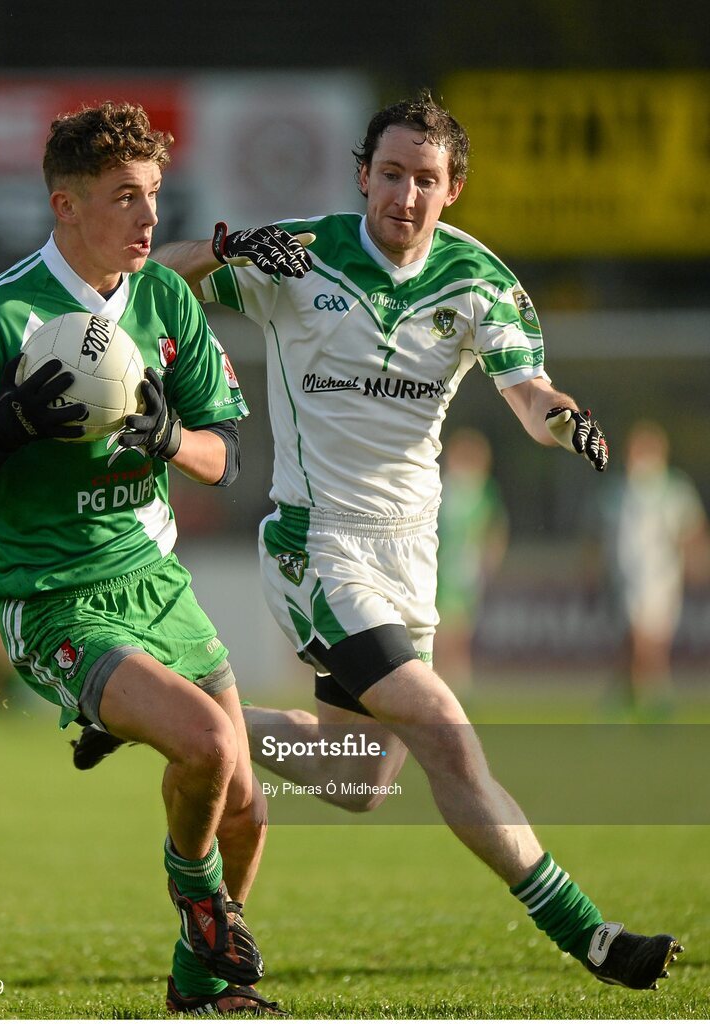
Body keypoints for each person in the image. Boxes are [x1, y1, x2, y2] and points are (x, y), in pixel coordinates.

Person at [77, 93, 681, 992]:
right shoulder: (302, 254)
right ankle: (591, 936)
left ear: (454, 190)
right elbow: (159, 277)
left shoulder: (479, 281)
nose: (405, 194)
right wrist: (225, 247)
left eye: (424, 179)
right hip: (317, 546)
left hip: (411, 554)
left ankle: (160, 722)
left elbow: (530, 392)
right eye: (390, 173)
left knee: (360, 779)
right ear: (362, 176)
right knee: (446, 729)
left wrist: (569, 422)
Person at [0, 101, 313, 1016]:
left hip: (157, 584)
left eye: (155, 197)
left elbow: (228, 455)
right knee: (208, 745)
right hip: (52, 594)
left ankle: (200, 987)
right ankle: (197, 899)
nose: (148, 219)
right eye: (125, 198)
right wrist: (4, 428)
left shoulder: (168, 299)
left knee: (247, 804)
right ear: (66, 205)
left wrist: (172, 438)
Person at [600, 419, 708, 714]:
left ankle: (629, 700)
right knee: (638, 639)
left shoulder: (674, 489)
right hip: (626, 577)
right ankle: (655, 701)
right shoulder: (619, 491)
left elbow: (691, 529)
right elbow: (602, 533)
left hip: (662, 577)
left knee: (651, 642)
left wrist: (697, 561)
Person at [432, 427, 509, 693]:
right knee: (443, 629)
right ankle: (445, 682)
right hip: (440, 568)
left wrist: (489, 561)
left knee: (459, 631)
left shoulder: (483, 491)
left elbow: (495, 528)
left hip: (465, 569)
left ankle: (455, 683)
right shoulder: (442, 487)